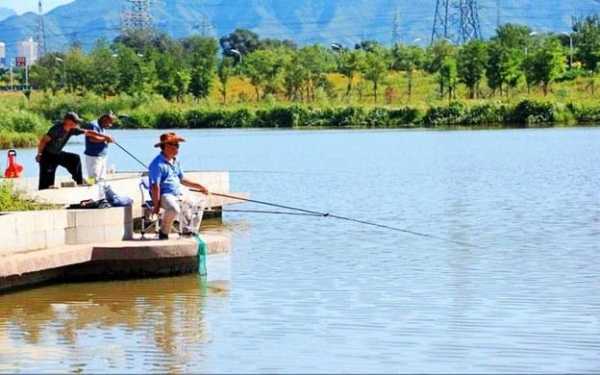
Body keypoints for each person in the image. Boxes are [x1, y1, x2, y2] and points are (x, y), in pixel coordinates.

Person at [148, 132, 209, 240]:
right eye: (175, 145)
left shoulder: (176, 161)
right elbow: (155, 186)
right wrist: (156, 206)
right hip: (165, 194)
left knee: (199, 203)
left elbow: (182, 179)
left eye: (178, 145)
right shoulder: (157, 164)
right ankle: (164, 232)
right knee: (173, 209)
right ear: (166, 146)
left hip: (179, 192)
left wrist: (200, 187)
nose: (177, 148)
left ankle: (190, 231)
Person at [36, 112, 114, 190]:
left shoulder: (72, 130)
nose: (77, 123)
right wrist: (39, 154)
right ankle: (45, 190)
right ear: (67, 121)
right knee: (46, 182)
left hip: (57, 153)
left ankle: (79, 182)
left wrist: (105, 136)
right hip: (47, 155)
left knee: (75, 159)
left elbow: (88, 133)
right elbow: (43, 141)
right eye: (75, 122)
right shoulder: (56, 129)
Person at [84, 111, 117, 181]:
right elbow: (92, 139)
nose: (110, 125)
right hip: (93, 156)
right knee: (93, 178)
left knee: (102, 178)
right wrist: (106, 138)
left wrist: (108, 140)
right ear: (104, 119)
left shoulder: (102, 126)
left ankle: (100, 191)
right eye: (109, 122)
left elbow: (102, 138)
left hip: (103, 156)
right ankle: (90, 189)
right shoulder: (93, 125)